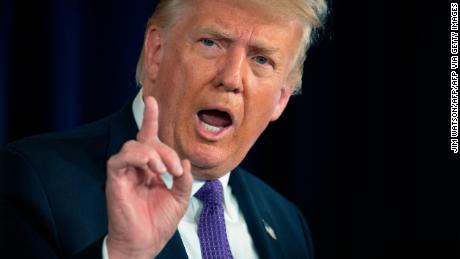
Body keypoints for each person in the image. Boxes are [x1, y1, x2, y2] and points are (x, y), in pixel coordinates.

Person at [0, 0, 327, 258]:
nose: (231, 78)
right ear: (156, 52)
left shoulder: (289, 226)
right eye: (211, 42)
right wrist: (124, 256)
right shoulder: (32, 181)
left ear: (281, 98)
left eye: (261, 60)